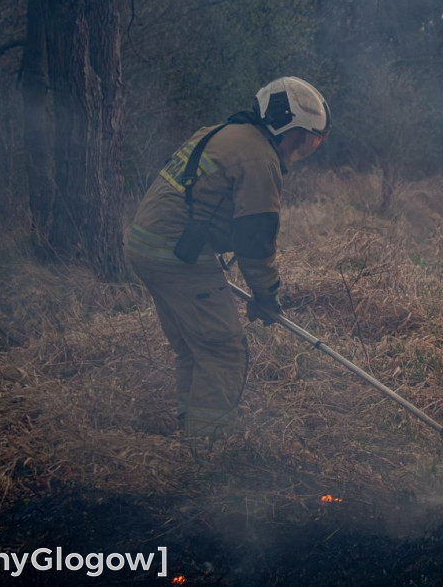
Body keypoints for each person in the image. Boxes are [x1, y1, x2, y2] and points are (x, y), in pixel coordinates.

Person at [125, 77, 331, 438]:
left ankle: (190, 432)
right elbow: (255, 242)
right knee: (222, 351)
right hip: (176, 255)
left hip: (146, 246)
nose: (298, 150)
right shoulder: (258, 159)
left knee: (194, 347)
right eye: (301, 139)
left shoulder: (222, 132)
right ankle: (207, 451)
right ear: (284, 124)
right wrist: (266, 295)